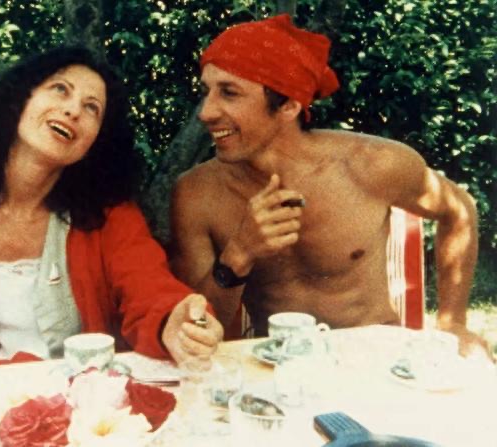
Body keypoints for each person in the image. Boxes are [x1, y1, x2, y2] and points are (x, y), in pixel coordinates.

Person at [170, 15, 489, 357]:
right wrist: (239, 253)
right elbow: (199, 328)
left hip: (374, 357)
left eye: (229, 93)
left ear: (289, 105)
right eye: (207, 91)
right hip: (276, 364)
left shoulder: (371, 165)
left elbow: (459, 210)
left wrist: (453, 322)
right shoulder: (196, 194)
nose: (206, 112)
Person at [0, 45, 223, 367]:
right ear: (20, 99)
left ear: (96, 141)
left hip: (86, 392)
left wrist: (174, 324)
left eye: (92, 108)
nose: (73, 111)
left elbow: (150, 291)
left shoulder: (108, 214)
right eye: (60, 89)